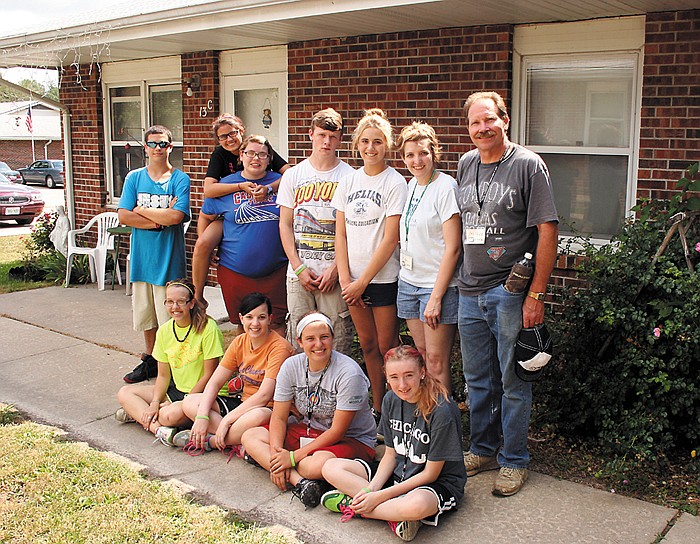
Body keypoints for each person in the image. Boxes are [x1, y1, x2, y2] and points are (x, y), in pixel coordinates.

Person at [456, 91, 558, 496]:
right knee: (477, 379)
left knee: (514, 380)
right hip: (469, 291)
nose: (482, 128)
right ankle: (481, 448)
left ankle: (514, 459)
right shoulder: (466, 164)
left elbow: (548, 230)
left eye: (489, 120)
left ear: (505, 120)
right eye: (474, 123)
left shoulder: (529, 166)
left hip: (508, 291)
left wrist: (536, 294)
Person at [320, 346, 466, 542]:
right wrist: (371, 490)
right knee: (331, 467)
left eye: (409, 375)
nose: (402, 384)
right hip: (398, 472)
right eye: (394, 377)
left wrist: (379, 497)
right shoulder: (390, 399)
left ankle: (354, 506)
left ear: (422, 373)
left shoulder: (442, 411)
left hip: (432, 483)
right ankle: (393, 515)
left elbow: (431, 473)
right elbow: (390, 455)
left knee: (415, 507)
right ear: (387, 377)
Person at [240, 312, 377, 509]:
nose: (319, 345)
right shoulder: (290, 366)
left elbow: (337, 431)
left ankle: (302, 473)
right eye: (310, 339)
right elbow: (278, 417)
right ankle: (301, 483)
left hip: (350, 439)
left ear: (332, 338)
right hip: (309, 430)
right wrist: (278, 457)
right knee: (251, 436)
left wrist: (293, 457)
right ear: (299, 341)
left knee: (309, 466)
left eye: (324, 337)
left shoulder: (349, 373)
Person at [332, 108, 407, 420]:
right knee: (367, 346)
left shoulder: (395, 182)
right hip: (352, 281)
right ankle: (378, 407)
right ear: (356, 144)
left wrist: (363, 282)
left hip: (382, 279)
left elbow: (391, 239)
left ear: (386, 145)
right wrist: (347, 278)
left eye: (377, 142)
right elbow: (340, 235)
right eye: (365, 141)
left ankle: (398, 405)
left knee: (388, 345)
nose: (371, 148)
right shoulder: (348, 182)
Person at [173, 292, 294, 453]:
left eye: (262, 317)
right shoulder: (239, 342)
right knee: (190, 402)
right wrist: (202, 417)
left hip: (269, 408)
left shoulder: (280, 347)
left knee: (258, 415)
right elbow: (215, 382)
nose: (255, 323)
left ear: (270, 319)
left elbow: (264, 395)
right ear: (241, 318)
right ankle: (234, 439)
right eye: (249, 317)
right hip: (243, 404)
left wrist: (227, 421)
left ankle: (212, 441)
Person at [277, 108, 355, 355]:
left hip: (335, 274)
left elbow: (353, 232)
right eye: (321, 135)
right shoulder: (293, 175)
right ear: (310, 134)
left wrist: (336, 270)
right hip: (299, 274)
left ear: (340, 139)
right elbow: (285, 224)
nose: (326, 142)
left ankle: (337, 391)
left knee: (338, 338)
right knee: (300, 338)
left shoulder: (350, 177)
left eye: (332, 136)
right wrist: (298, 268)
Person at [119, 125, 191, 384]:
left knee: (171, 318)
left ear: (170, 147)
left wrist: (142, 210)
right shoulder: (134, 178)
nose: (158, 148)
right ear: (145, 148)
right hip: (142, 260)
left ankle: (172, 366)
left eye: (163, 144)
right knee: (147, 316)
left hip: (169, 263)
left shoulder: (180, 179)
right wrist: (159, 220)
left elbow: (177, 216)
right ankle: (151, 361)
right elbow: (124, 215)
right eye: (153, 144)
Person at [193, 114, 290, 306]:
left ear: (241, 132)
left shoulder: (261, 147)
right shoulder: (219, 155)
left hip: (255, 209)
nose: (229, 139)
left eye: (233, 133)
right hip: (227, 211)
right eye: (223, 137)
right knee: (203, 243)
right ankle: (197, 296)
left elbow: (291, 173)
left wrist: (269, 188)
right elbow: (209, 190)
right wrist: (240, 186)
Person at [115, 279, 224, 447]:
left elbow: (210, 375)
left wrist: (184, 401)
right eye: (170, 302)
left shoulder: (208, 328)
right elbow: (163, 375)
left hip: (200, 395)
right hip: (176, 390)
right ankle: (160, 430)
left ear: (192, 303)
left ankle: (140, 415)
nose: (175, 307)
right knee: (124, 393)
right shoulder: (165, 330)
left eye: (181, 302)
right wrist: (155, 403)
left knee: (169, 415)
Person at [395, 122, 461, 393]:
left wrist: (435, 298)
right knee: (420, 355)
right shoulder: (411, 186)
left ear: (434, 153)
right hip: (409, 282)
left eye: (423, 153)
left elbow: (454, 248)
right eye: (410, 155)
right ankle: (425, 417)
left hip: (437, 288)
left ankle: (441, 426)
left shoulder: (446, 187)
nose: (416, 160)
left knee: (436, 361)